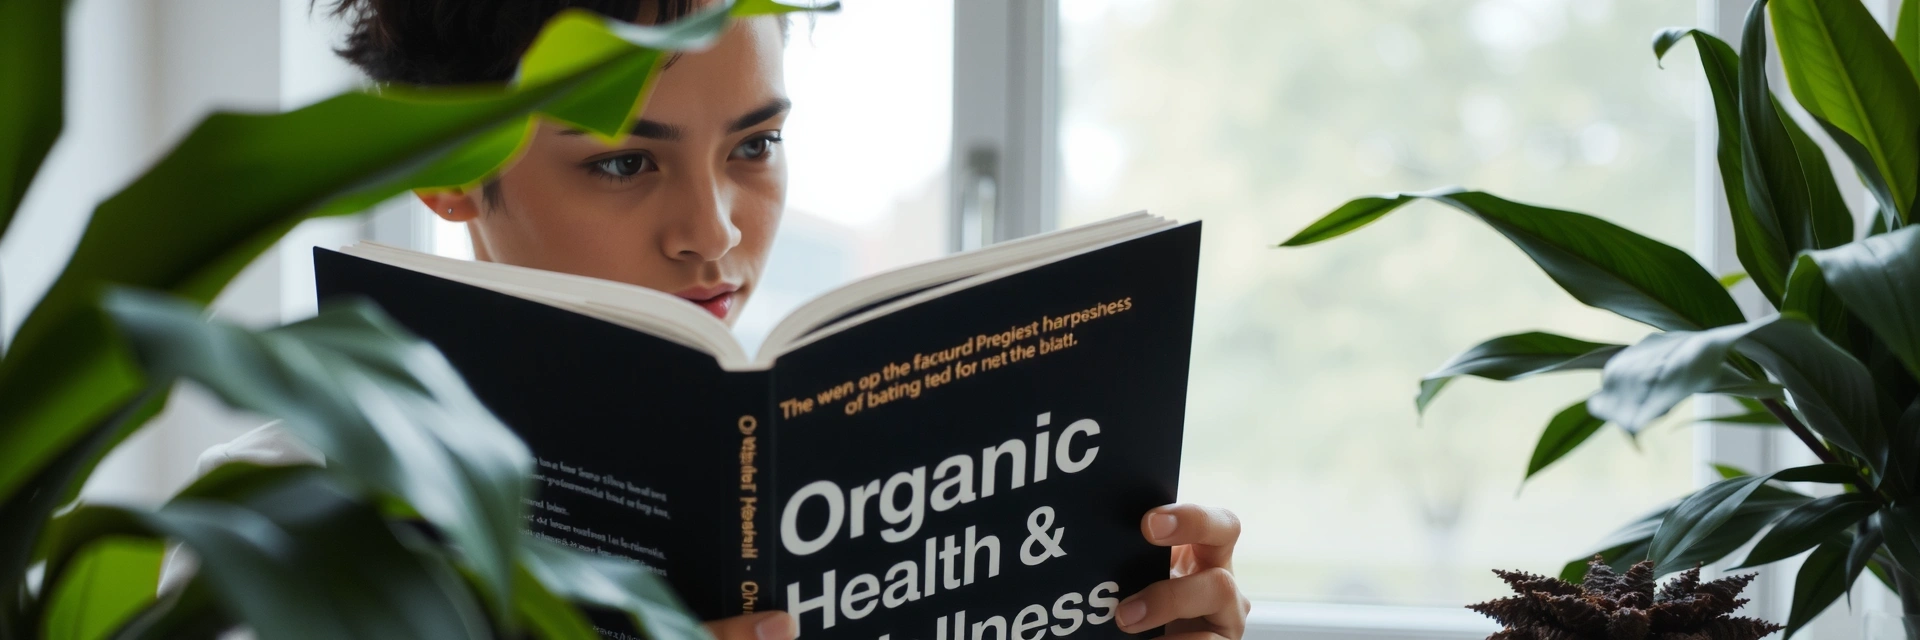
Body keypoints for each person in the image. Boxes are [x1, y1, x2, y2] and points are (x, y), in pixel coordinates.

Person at [182, 1, 1249, 637]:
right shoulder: (275, 527)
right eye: (622, 162)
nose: (714, 233)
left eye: (754, 147)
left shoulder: (816, 452)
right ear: (448, 170)